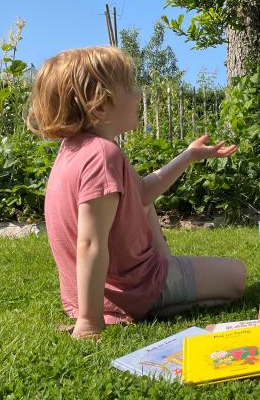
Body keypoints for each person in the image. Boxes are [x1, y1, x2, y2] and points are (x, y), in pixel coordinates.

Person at [26, 46, 246, 338]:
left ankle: (157, 290)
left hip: (94, 293)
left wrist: (189, 155)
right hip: (133, 288)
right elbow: (89, 243)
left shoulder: (74, 150)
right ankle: (140, 306)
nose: (139, 94)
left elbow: (141, 195)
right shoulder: (102, 154)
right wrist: (89, 322)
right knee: (237, 276)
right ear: (100, 107)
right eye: (129, 88)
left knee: (143, 203)